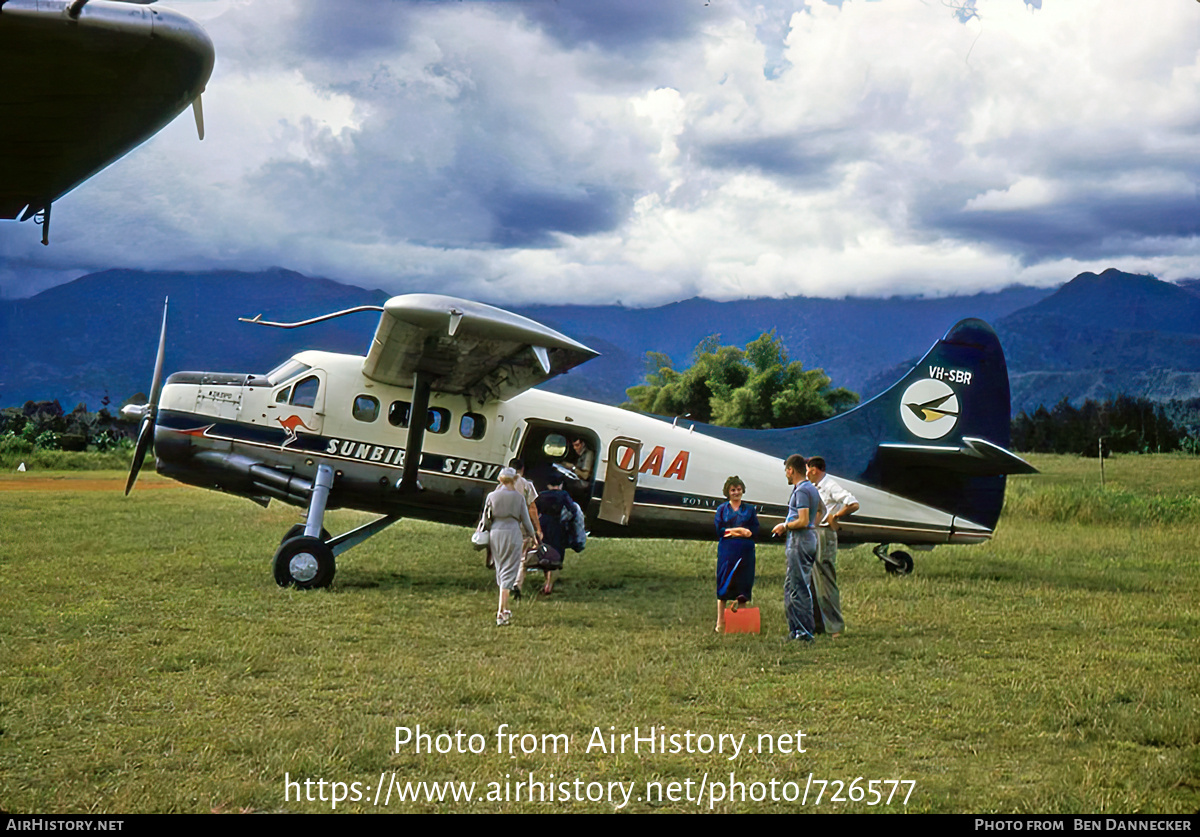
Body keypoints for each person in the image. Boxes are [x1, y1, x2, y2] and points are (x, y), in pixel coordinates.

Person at [806, 456, 858, 639]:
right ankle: (817, 623)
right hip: (813, 533)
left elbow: (852, 502)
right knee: (813, 580)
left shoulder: (829, 485)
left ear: (814, 469)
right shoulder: (814, 487)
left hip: (825, 533)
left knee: (825, 579)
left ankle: (835, 626)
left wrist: (835, 516)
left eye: (807, 470)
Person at [771, 454, 821, 643]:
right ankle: (796, 629)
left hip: (800, 540)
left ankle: (803, 633)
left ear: (791, 470)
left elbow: (802, 519)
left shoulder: (801, 491)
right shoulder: (811, 489)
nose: (786, 475)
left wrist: (785, 526)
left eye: (786, 471)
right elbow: (819, 512)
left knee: (797, 587)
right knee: (793, 584)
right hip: (808, 538)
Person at [481, 467, 536, 626]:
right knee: (510, 570)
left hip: (496, 532)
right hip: (513, 531)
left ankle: (503, 609)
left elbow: (486, 519)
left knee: (500, 567)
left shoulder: (492, 496)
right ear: (514, 480)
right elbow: (525, 520)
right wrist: (533, 535)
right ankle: (502, 611)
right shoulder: (518, 498)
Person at [714, 475, 759, 633]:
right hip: (727, 551)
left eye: (738, 489)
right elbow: (719, 530)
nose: (736, 493)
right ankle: (720, 622)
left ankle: (740, 623)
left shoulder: (750, 510)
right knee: (724, 583)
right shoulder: (722, 510)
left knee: (743, 584)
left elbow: (754, 530)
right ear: (728, 492)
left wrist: (734, 532)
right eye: (733, 490)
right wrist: (738, 530)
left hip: (745, 551)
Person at [533, 474, 585, 595]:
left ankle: (545, 579)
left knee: (545, 554)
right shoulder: (564, 495)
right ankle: (549, 585)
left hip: (543, 525)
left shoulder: (541, 495)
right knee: (556, 557)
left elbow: (535, 510)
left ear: (548, 485)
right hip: (557, 527)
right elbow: (572, 511)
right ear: (561, 484)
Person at [509, 458, 543, 599]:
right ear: (522, 470)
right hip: (521, 525)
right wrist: (538, 529)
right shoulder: (526, 485)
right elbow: (532, 508)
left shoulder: (502, 484)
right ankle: (516, 584)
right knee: (521, 557)